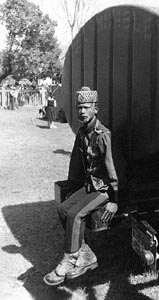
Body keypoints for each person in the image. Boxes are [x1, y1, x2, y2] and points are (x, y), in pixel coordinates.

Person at [43, 86, 118, 286]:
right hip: (89, 187)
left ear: (95, 109)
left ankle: (70, 260)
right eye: (79, 108)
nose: (82, 112)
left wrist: (115, 201)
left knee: (76, 215)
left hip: (104, 190)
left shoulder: (103, 135)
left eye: (86, 107)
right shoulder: (83, 133)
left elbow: (114, 169)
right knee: (63, 209)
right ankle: (84, 252)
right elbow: (76, 165)